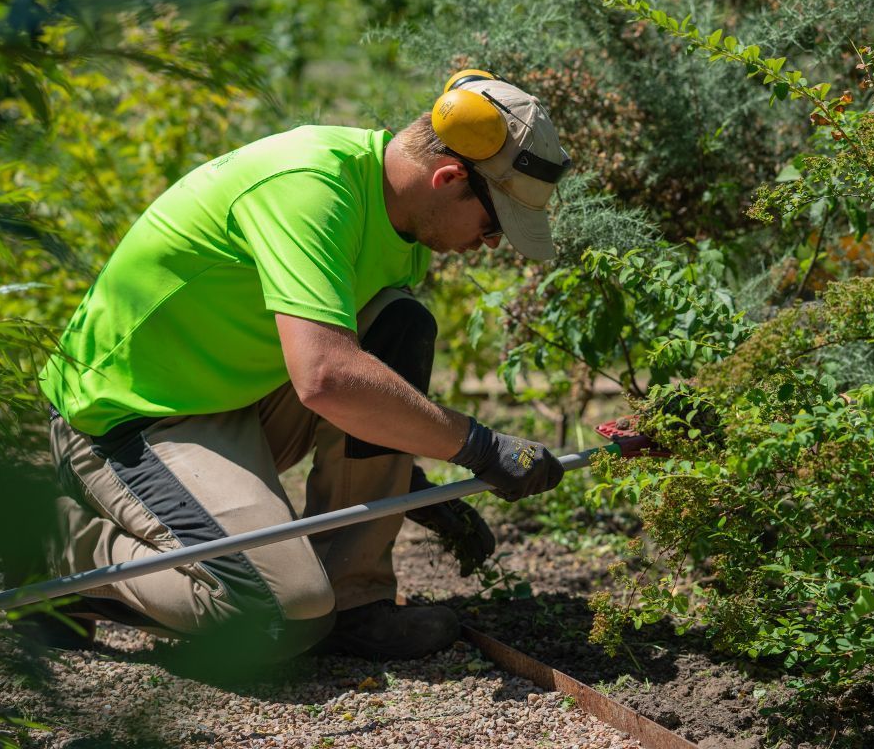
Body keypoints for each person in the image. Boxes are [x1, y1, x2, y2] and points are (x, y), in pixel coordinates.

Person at [35, 70, 572, 662]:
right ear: (447, 179)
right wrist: (475, 446)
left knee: (398, 323)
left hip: (237, 397)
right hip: (129, 419)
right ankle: (60, 548)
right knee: (272, 613)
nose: (491, 243)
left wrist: (407, 484)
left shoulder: (405, 227)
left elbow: (357, 374)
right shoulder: (312, 188)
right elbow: (327, 378)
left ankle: (354, 601)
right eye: (494, 224)